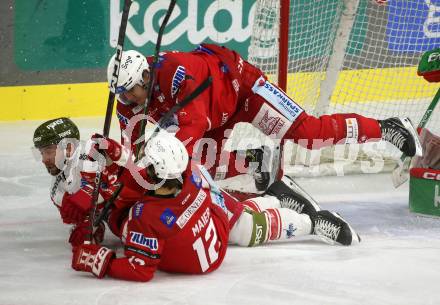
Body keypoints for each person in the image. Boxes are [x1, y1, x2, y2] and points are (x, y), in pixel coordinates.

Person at [107, 44, 422, 192]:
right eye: (121, 94)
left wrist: (163, 160)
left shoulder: (177, 73)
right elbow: (130, 145)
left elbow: (194, 124)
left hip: (245, 91)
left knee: (311, 135)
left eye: (130, 91)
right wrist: (135, 171)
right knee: (206, 165)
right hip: (217, 114)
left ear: (146, 76)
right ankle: (259, 159)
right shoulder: (130, 99)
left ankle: (387, 128)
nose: (126, 99)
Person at [71, 131, 360, 282]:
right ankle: (274, 200)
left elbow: (141, 269)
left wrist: (100, 260)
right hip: (208, 218)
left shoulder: (144, 217)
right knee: (243, 224)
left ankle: (308, 221)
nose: (142, 166)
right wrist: (120, 157)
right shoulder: (189, 172)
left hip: (201, 251)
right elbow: (143, 177)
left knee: (245, 230)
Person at [32, 117, 120, 246]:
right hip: (112, 211)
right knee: (82, 237)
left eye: (48, 151)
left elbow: (131, 184)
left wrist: (98, 195)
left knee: (124, 223)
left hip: (135, 205)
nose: (44, 159)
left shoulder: (95, 153)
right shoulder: (57, 190)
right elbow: (74, 214)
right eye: (42, 153)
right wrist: (88, 223)